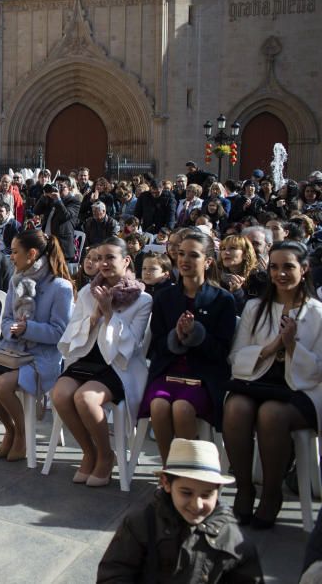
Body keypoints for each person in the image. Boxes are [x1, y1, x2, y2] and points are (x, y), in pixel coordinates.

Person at [224, 241, 322, 528]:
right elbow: (236, 356)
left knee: (271, 414)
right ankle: (243, 488)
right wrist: (271, 347)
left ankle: (271, 494)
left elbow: (317, 371)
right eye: (275, 267)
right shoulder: (255, 307)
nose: (280, 273)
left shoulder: (317, 313)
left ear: (304, 270)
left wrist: (292, 346)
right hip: (258, 381)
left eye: (288, 266)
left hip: (302, 390)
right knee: (236, 408)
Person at [55, 237, 152, 486]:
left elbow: (133, 344)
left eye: (110, 257)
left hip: (118, 365)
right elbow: (74, 329)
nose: (104, 263)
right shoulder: (88, 291)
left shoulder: (142, 300)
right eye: (99, 258)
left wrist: (109, 314)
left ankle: (106, 455)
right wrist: (95, 315)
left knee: (85, 399)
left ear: (126, 260)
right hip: (87, 357)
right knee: (60, 395)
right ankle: (90, 451)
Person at [97, 438, 263, 583]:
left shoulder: (233, 539)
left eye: (206, 494)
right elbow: (114, 574)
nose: (197, 504)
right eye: (186, 493)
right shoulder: (140, 523)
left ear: (218, 489)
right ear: (166, 484)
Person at [0, 229, 74, 462]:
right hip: (13, 351)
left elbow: (60, 333)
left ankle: (22, 434)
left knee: (1, 385)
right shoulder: (16, 279)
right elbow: (7, 319)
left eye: (15, 251)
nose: (10, 256)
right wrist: (14, 328)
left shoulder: (60, 287)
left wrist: (28, 329)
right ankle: (12, 429)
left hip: (42, 357)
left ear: (31, 254)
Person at [139, 231, 236, 464]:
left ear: (208, 261)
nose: (184, 260)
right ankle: (169, 472)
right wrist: (177, 336)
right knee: (159, 406)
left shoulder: (222, 300)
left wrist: (195, 335)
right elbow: (158, 345)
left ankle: (187, 472)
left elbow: (221, 352)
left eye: (193, 255)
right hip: (168, 371)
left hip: (203, 375)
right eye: (181, 254)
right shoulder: (165, 297)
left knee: (182, 408)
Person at [34, 176, 80, 264]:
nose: (58, 189)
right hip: (47, 241)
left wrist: (58, 200)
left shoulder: (74, 202)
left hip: (62, 244)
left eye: (61, 187)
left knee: (60, 274)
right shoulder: (51, 199)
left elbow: (65, 216)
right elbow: (36, 211)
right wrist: (44, 196)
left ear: (69, 188)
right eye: (57, 186)